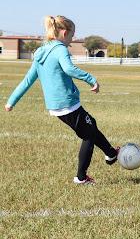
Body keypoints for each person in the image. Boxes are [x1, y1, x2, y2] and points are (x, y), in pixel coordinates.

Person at [4, 15, 119, 185]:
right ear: (64, 33)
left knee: (91, 125)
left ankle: (110, 154)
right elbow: (69, 69)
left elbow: (27, 80)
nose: (72, 39)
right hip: (67, 103)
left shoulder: (41, 52)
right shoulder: (60, 50)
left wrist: (11, 101)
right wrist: (91, 79)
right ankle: (81, 178)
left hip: (55, 106)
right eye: (72, 35)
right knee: (89, 136)